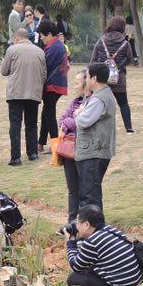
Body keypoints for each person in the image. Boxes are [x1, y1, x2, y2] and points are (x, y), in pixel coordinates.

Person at [66, 205, 143, 286]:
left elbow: (75, 266)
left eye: (77, 222)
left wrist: (71, 242)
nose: (76, 226)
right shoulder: (111, 230)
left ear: (86, 224)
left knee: (74, 278)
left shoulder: (92, 242)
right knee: (88, 270)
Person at [74, 63, 117, 211]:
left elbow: (82, 121)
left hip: (94, 153)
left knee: (90, 196)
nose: (86, 79)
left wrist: (78, 113)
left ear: (94, 78)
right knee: (90, 193)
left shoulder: (99, 99)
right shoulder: (103, 94)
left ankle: (94, 229)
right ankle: (93, 228)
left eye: (87, 75)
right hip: (96, 151)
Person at [1, 27, 46, 166]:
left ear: (17, 38)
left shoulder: (12, 50)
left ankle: (15, 157)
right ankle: (32, 153)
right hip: (34, 92)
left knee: (15, 124)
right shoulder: (40, 51)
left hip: (16, 93)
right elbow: (44, 74)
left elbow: (4, 71)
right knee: (31, 124)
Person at [90, 16, 135, 133]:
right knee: (123, 103)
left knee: (99, 104)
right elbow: (130, 59)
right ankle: (129, 129)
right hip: (119, 79)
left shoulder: (101, 41)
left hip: (101, 80)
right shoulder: (125, 43)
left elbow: (93, 60)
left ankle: (96, 127)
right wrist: (119, 65)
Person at [59, 70, 88, 222]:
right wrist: (71, 120)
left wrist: (70, 122)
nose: (74, 86)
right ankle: (71, 222)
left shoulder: (91, 102)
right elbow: (62, 120)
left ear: (86, 84)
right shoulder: (75, 102)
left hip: (82, 149)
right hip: (68, 150)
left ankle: (84, 221)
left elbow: (81, 124)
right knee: (72, 188)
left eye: (77, 83)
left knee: (84, 188)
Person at [38, 19, 69, 153]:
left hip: (53, 85)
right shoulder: (58, 45)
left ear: (49, 34)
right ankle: (41, 143)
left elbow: (44, 66)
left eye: (42, 35)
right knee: (46, 112)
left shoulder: (54, 47)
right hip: (57, 84)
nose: (41, 38)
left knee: (49, 114)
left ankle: (55, 144)